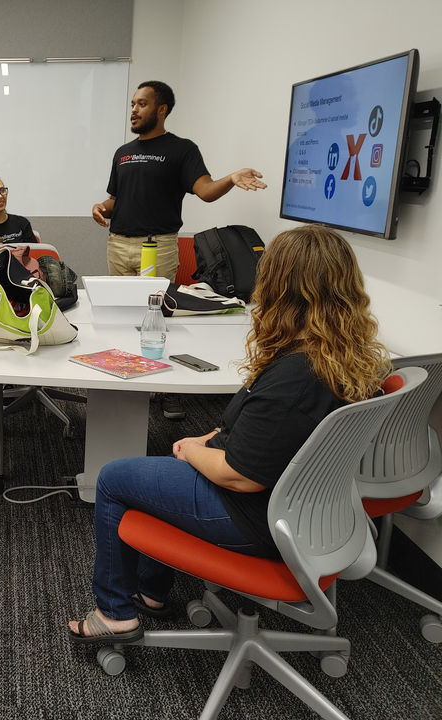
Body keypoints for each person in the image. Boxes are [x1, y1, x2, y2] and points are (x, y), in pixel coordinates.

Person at [68, 224, 390, 644]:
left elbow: (239, 475)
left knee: (113, 478)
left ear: (280, 286)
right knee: (153, 475)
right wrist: (209, 441)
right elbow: (266, 433)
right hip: (302, 509)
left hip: (254, 516)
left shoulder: (295, 375)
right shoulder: (345, 354)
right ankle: (150, 592)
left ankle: (113, 614)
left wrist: (189, 449)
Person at [92, 80, 267, 420]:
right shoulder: (123, 153)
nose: (133, 109)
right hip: (118, 245)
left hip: (156, 248)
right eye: (132, 103)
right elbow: (117, 199)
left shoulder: (181, 149)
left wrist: (231, 178)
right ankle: (121, 380)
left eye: (142, 104)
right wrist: (101, 206)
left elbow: (205, 191)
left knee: (156, 316)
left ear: (162, 109)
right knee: (118, 316)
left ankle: (164, 389)